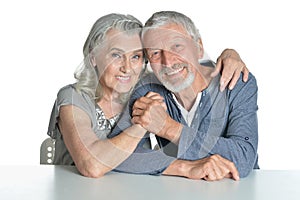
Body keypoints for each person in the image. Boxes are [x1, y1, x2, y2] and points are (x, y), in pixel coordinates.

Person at [47, 13, 250, 178]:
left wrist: (230, 54)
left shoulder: (144, 91)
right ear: (93, 57)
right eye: (116, 55)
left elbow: (180, 65)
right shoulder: (73, 97)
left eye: (136, 56)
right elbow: (92, 165)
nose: (127, 68)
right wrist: (145, 124)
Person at [110, 11, 259, 181]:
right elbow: (114, 154)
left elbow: (245, 158)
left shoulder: (235, 81)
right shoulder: (148, 90)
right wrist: (183, 168)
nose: (168, 61)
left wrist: (167, 128)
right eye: (156, 53)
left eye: (177, 46)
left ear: (199, 47)